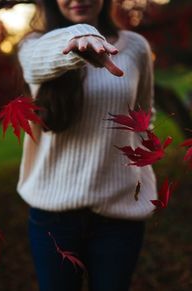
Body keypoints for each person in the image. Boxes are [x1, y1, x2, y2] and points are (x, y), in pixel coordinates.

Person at [17, 0, 157, 290]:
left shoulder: (136, 47)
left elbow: (144, 117)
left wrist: (145, 167)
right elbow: (35, 66)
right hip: (53, 216)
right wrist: (82, 35)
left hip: (120, 214)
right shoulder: (33, 45)